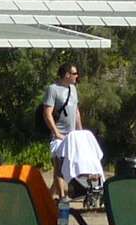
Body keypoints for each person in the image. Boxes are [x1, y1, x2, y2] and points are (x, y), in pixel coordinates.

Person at [40, 62, 101, 199]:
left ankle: (48, 196)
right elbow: (47, 114)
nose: (77, 76)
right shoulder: (53, 89)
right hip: (59, 136)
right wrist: (56, 133)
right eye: (74, 73)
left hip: (73, 136)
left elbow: (76, 111)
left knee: (75, 164)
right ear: (67, 75)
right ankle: (62, 198)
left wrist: (80, 131)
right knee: (59, 166)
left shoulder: (73, 89)